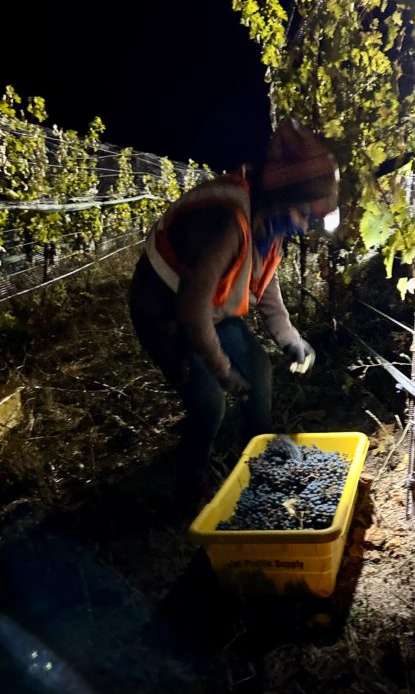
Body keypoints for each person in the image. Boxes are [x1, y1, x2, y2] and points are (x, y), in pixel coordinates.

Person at [128, 118, 340, 511]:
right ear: (283, 196)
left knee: (258, 368)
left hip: (211, 309)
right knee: (210, 401)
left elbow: (264, 283)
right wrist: (222, 369)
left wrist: (290, 339)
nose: (303, 226)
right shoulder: (225, 218)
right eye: (304, 215)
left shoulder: (268, 222)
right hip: (166, 316)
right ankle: (190, 491)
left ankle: (261, 456)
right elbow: (192, 309)